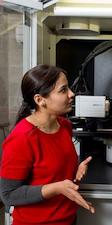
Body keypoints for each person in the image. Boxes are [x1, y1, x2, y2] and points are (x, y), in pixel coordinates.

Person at [0, 64, 95, 225]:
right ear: (40, 100)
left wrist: (76, 170)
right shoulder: (22, 138)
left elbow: (53, 173)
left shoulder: (64, 126)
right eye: (63, 90)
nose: (72, 94)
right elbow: (8, 194)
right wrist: (57, 188)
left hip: (68, 219)